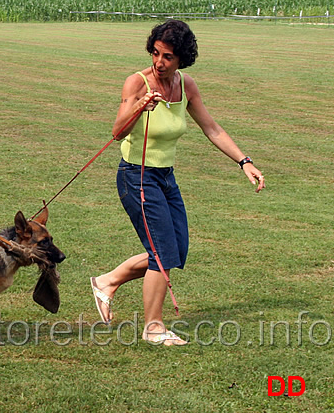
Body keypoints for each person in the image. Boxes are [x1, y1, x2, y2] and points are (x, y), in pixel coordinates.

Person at [90, 19, 265, 346]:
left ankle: (108, 280)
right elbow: (116, 133)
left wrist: (245, 161)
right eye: (156, 53)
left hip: (165, 178)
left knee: (176, 250)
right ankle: (153, 327)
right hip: (136, 175)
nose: (159, 62)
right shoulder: (136, 82)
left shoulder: (187, 85)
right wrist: (140, 107)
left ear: (182, 58)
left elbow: (211, 128)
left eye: (168, 56)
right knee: (161, 253)